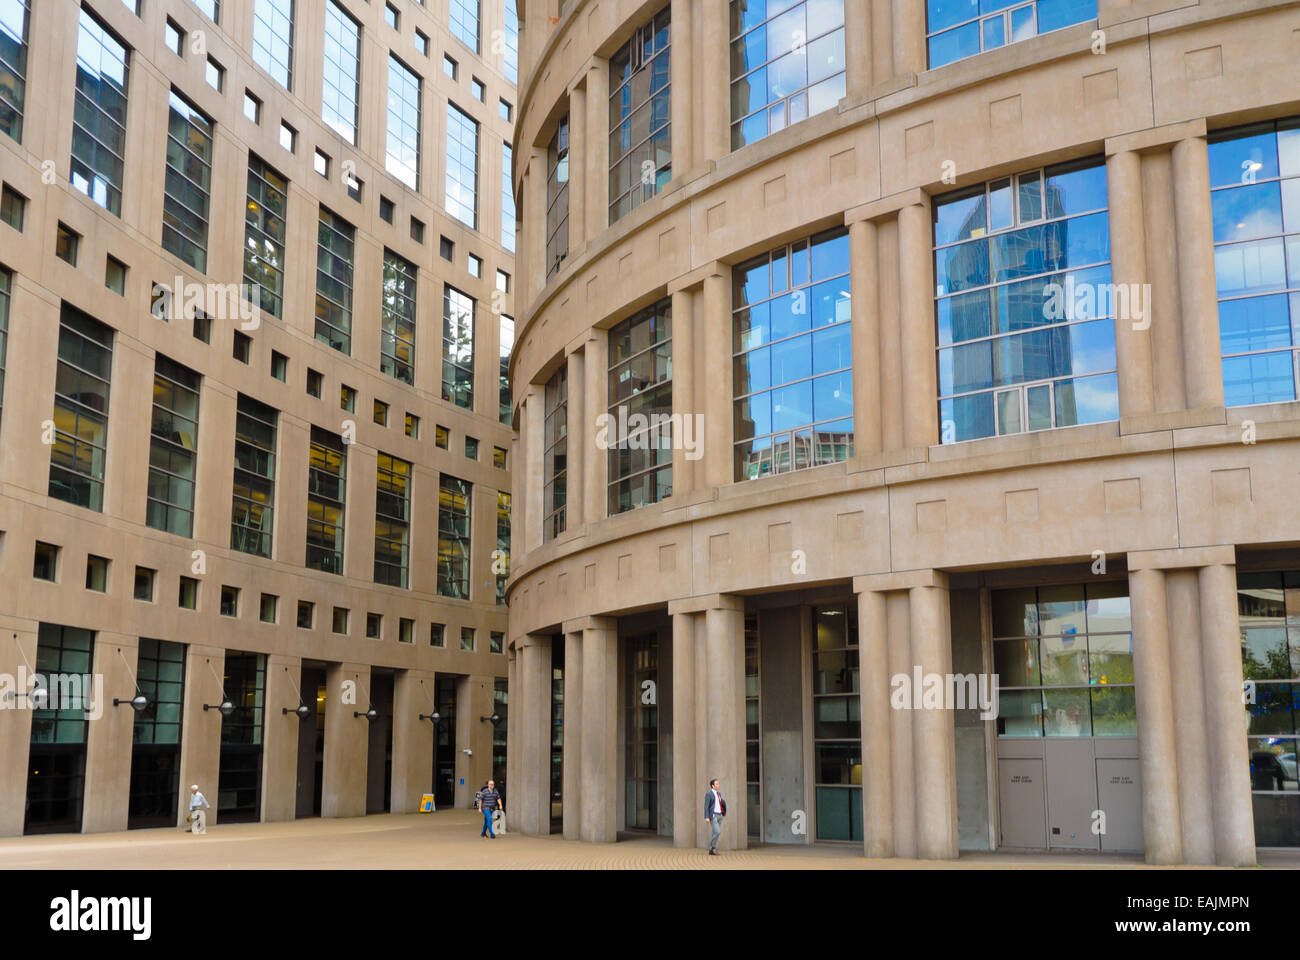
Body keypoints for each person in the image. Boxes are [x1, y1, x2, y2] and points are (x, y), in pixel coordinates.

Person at [703, 778, 726, 855]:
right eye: (716, 784)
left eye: (718, 783)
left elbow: (721, 803)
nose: (718, 785)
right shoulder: (709, 794)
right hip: (713, 815)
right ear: (712, 786)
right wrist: (706, 817)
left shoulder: (719, 794)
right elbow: (706, 806)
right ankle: (712, 847)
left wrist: (723, 813)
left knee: (714, 833)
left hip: (720, 815)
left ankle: (712, 850)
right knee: (717, 832)